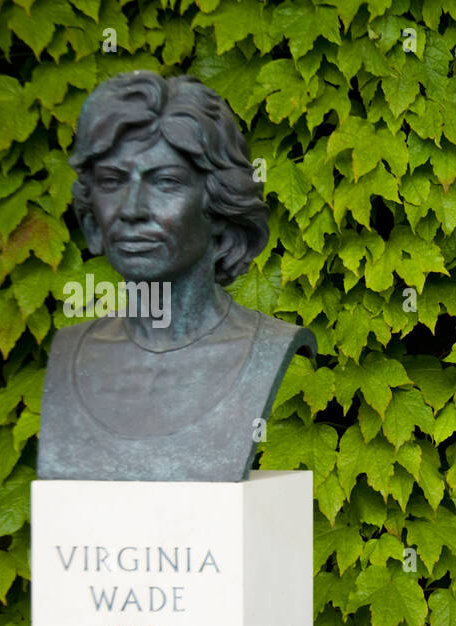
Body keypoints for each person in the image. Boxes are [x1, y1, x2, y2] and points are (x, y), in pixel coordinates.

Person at [37, 72, 316, 482]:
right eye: (113, 182)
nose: (132, 209)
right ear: (90, 213)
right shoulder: (69, 353)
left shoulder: (266, 350)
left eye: (165, 182)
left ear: (220, 206)